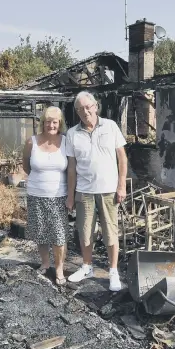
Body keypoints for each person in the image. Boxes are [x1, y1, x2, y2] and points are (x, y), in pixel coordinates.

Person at [65, 91, 127, 291]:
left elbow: (122, 159)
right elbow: (72, 168)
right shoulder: (72, 134)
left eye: (88, 107)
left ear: (95, 106)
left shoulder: (110, 126)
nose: (85, 111)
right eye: (80, 109)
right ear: (77, 112)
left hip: (109, 190)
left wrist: (121, 185)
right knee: (85, 233)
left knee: (110, 233)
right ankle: (87, 266)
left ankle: (113, 271)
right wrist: (70, 195)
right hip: (84, 191)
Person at [23, 106, 69, 286]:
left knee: (59, 235)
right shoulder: (31, 142)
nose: (51, 125)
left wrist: (71, 195)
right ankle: (45, 263)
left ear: (60, 124)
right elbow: (26, 166)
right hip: (36, 194)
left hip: (59, 196)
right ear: (43, 123)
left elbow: (71, 169)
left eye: (55, 122)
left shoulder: (65, 142)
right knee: (41, 232)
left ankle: (59, 268)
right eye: (48, 121)